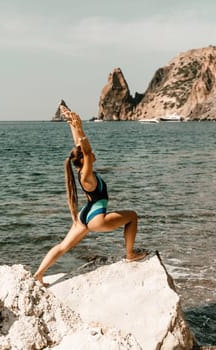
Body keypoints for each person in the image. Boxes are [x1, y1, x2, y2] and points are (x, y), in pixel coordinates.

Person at [33, 106, 147, 285]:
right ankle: (130, 254)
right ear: (85, 160)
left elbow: (80, 146)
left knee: (63, 246)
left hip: (84, 215)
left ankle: (39, 274)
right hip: (96, 218)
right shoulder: (86, 174)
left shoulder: (80, 168)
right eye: (90, 153)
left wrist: (73, 123)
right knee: (132, 216)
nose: (93, 153)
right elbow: (85, 150)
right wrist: (79, 129)